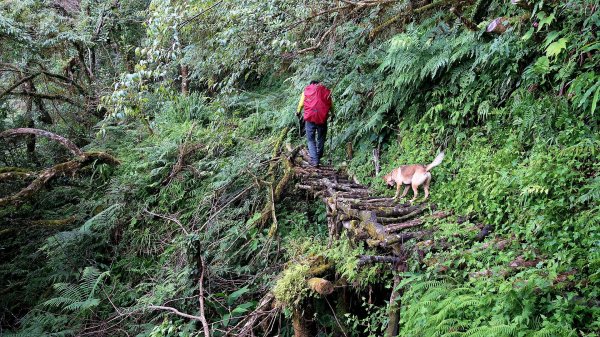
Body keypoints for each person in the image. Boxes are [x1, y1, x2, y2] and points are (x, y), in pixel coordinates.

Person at [296, 80, 333, 167]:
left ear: (311, 84)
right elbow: (331, 105)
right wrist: (333, 114)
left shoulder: (307, 90)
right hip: (322, 118)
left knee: (310, 139)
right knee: (321, 139)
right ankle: (318, 157)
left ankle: (315, 160)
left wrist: (298, 112)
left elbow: (301, 104)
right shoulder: (325, 90)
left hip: (310, 118)